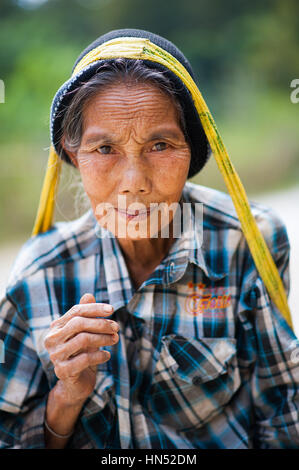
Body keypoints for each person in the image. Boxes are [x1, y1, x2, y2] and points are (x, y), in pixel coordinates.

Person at [0, 28, 298, 449]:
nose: (133, 183)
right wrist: (66, 398)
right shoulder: (38, 277)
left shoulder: (248, 242)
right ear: (73, 156)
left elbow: (283, 409)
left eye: (160, 145)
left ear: (192, 152)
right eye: (105, 149)